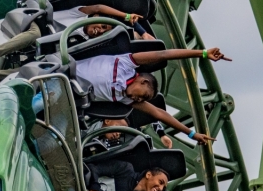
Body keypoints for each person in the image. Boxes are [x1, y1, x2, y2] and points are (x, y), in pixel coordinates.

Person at [74, 47, 231, 145]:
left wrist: (191, 133)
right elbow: (164, 54)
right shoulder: (127, 64)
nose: (140, 100)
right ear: (142, 82)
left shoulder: (125, 98)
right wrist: (202, 53)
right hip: (65, 69)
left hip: (65, 92)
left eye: (143, 100)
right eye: (143, 96)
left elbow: (159, 113)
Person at [0, 4, 146, 73]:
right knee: (35, 35)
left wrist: (142, 34)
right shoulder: (79, 14)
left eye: (103, 31)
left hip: (47, 50)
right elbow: (99, 6)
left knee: (42, 68)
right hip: (38, 26)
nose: (98, 30)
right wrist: (126, 16)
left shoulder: (84, 41)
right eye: (101, 25)